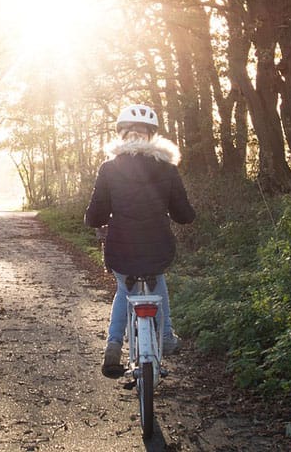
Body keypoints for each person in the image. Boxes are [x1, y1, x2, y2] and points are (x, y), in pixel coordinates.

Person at [84, 103, 196, 378]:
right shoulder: (167, 168)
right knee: (158, 280)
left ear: (123, 135)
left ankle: (113, 345)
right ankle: (166, 335)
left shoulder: (109, 168)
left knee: (124, 288)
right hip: (158, 245)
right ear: (152, 136)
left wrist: (96, 220)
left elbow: (95, 214)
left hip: (120, 246)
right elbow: (184, 215)